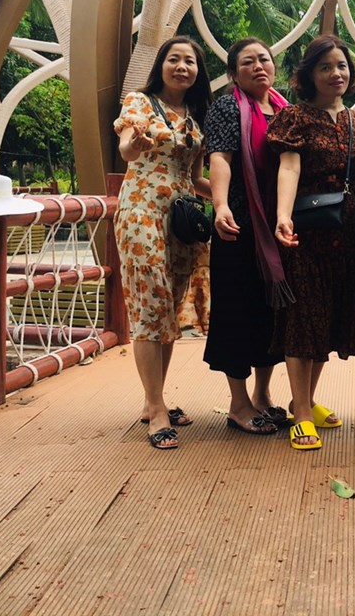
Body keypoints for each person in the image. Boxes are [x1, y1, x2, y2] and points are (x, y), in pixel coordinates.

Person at [269, 34, 355, 451]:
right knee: (304, 318)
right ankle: (300, 414)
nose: (336, 73)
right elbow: (289, 168)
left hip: (347, 232)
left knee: (329, 317)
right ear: (309, 74)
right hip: (306, 232)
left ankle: (306, 400)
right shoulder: (295, 117)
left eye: (342, 66)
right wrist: (283, 215)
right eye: (325, 67)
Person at [113, 35, 213, 450]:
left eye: (190, 61)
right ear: (162, 65)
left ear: (198, 72)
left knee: (168, 307)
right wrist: (133, 145)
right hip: (141, 213)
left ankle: (154, 399)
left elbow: (196, 178)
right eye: (174, 59)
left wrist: (235, 198)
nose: (182, 67)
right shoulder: (139, 102)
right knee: (149, 303)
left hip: (181, 220)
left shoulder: (195, 117)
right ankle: (156, 409)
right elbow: (126, 147)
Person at [203, 38, 291, 435]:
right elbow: (220, 158)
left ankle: (262, 395)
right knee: (237, 312)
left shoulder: (286, 110)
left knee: (270, 312)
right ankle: (238, 404)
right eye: (247, 62)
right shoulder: (227, 107)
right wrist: (221, 205)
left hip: (277, 228)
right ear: (233, 73)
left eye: (264, 59)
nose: (258, 66)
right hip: (238, 226)